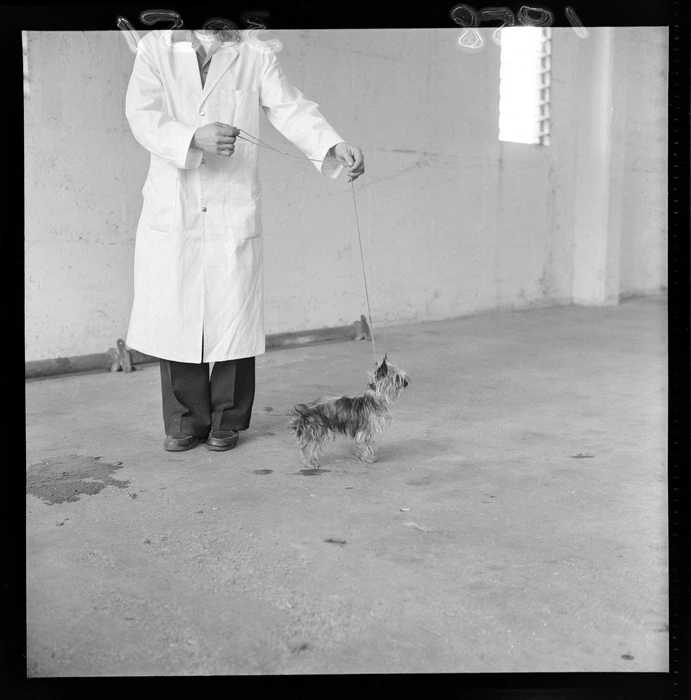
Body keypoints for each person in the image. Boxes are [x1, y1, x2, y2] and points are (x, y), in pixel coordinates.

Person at [125, 28, 365, 452]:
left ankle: (227, 420)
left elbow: (289, 106)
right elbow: (141, 114)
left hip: (230, 203)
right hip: (175, 201)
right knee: (175, 312)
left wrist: (333, 143)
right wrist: (191, 137)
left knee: (234, 311)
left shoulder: (253, 52)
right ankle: (184, 420)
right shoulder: (154, 48)